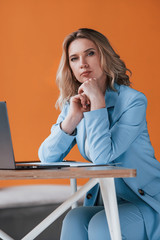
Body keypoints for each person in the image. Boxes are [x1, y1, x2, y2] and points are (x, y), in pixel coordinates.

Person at [38, 28, 160, 240]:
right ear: (70, 67)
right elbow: (47, 157)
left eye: (90, 53)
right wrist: (72, 119)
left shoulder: (133, 101)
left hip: (146, 201)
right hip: (108, 200)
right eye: (74, 58)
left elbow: (102, 157)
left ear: (104, 56)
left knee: (103, 224)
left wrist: (98, 104)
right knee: (75, 218)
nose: (83, 63)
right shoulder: (73, 104)